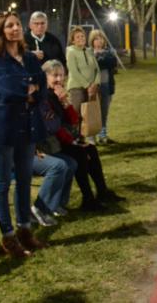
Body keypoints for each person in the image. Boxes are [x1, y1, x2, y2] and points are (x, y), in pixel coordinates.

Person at [0, 11, 47, 258]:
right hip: (2, 127)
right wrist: (28, 87)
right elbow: (6, 88)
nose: (15, 29)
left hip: (27, 126)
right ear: (1, 31)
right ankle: (8, 236)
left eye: (17, 24)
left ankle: (24, 229)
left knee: (24, 180)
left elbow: (42, 84)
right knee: (2, 183)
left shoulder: (29, 57)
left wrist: (32, 87)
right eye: (9, 26)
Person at [40, 60, 122, 213]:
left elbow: (74, 120)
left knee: (91, 149)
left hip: (64, 138)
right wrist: (73, 142)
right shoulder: (44, 96)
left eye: (61, 75)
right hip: (51, 143)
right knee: (80, 153)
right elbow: (55, 127)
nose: (58, 79)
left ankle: (102, 191)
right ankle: (88, 199)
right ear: (45, 77)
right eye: (54, 76)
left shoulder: (59, 94)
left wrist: (65, 102)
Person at [65, 26, 100, 141]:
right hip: (77, 88)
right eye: (77, 37)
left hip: (92, 88)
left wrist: (95, 83)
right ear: (73, 40)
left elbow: (97, 69)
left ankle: (90, 138)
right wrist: (87, 85)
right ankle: (75, 139)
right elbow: (74, 71)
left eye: (82, 36)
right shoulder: (71, 52)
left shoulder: (89, 50)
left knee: (90, 114)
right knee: (77, 115)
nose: (81, 38)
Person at [89, 29, 118, 144]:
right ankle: (91, 137)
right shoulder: (88, 52)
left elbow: (111, 63)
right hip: (92, 86)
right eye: (96, 38)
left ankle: (103, 135)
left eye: (100, 38)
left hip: (106, 85)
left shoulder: (110, 52)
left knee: (104, 111)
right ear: (91, 40)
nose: (99, 41)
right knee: (92, 111)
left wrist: (100, 59)